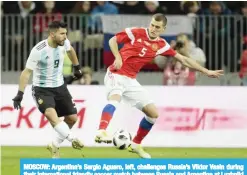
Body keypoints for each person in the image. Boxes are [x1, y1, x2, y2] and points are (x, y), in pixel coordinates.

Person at [94, 13, 224, 159]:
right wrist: (117, 57)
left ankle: (136, 143)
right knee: (114, 99)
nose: (153, 29)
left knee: (153, 114)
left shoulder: (161, 45)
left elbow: (183, 59)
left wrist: (206, 71)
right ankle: (101, 131)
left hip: (130, 80)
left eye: (157, 27)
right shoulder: (137, 32)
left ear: (163, 29)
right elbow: (113, 40)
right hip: (116, 73)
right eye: (152, 25)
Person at [12, 21, 84, 158]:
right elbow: (26, 72)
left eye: (66, 33)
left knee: (72, 118)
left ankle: (54, 145)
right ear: (52, 34)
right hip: (42, 89)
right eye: (62, 34)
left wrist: (77, 67)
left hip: (60, 86)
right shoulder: (39, 50)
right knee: (52, 115)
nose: (65, 36)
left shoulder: (64, 42)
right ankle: (72, 139)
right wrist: (20, 93)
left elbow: (71, 50)